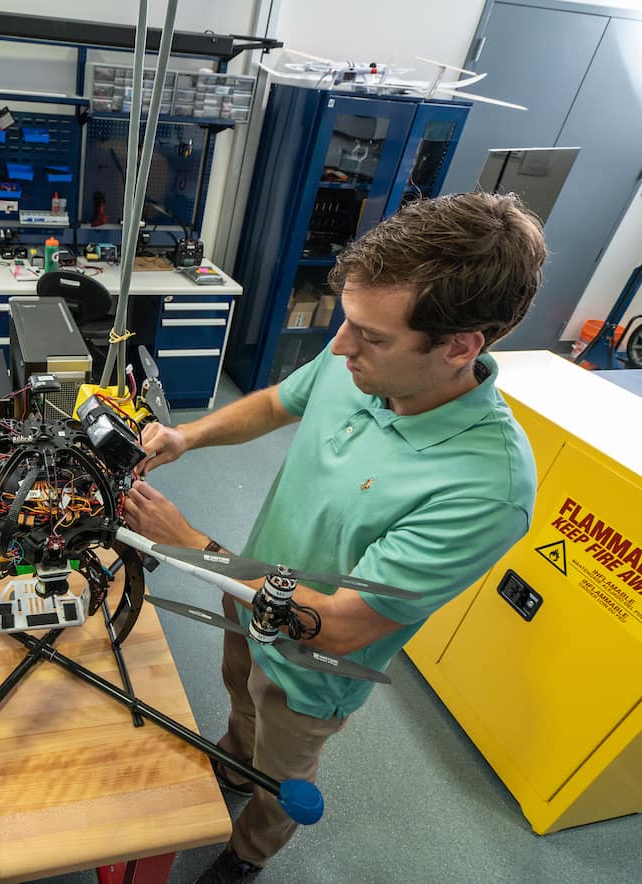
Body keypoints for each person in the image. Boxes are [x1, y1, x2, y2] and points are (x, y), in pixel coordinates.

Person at [122, 192, 548, 883]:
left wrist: (192, 545)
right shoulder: (362, 357)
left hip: (310, 668)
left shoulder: (486, 487)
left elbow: (342, 627)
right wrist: (185, 436)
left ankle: (248, 853)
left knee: (282, 771)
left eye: (370, 336)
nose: (341, 345)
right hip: (244, 591)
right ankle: (234, 759)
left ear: (459, 347)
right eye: (347, 321)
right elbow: (279, 401)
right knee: (240, 698)